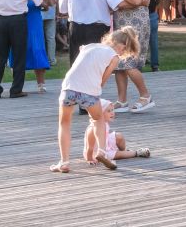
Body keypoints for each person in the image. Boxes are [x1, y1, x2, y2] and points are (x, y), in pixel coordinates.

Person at [51, 27, 139, 173]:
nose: (122, 54)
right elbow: (102, 81)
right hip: (89, 92)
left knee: (64, 123)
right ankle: (102, 152)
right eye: (124, 51)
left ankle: (64, 162)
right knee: (98, 120)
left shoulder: (88, 47)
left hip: (69, 87)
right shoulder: (114, 57)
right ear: (121, 46)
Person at [110, 0, 154, 113]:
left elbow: (135, 0)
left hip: (135, 27)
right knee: (120, 65)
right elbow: (129, 2)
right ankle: (121, 101)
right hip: (122, 27)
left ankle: (145, 96)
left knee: (129, 63)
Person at [83, 99, 152, 169]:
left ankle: (124, 151)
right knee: (117, 154)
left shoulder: (105, 123)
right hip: (95, 152)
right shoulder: (92, 129)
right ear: (99, 114)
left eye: (112, 110)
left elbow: (106, 136)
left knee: (119, 136)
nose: (112, 113)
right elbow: (90, 147)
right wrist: (89, 159)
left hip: (106, 143)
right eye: (108, 111)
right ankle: (136, 153)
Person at [15, 0, 51, 93]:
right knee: (20, 51)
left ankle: (41, 83)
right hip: (19, 23)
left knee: (37, 50)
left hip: (34, 23)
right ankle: (18, 84)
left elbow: (47, 6)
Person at [34, 0, 59, 67]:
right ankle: (51, 59)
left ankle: (40, 58)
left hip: (39, 13)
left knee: (39, 37)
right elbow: (57, 0)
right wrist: (57, 13)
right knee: (51, 37)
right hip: (51, 13)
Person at [142, 0, 161, 71]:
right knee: (141, 40)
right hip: (147, 14)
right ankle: (143, 63)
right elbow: (157, 0)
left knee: (152, 40)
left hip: (150, 14)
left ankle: (154, 65)